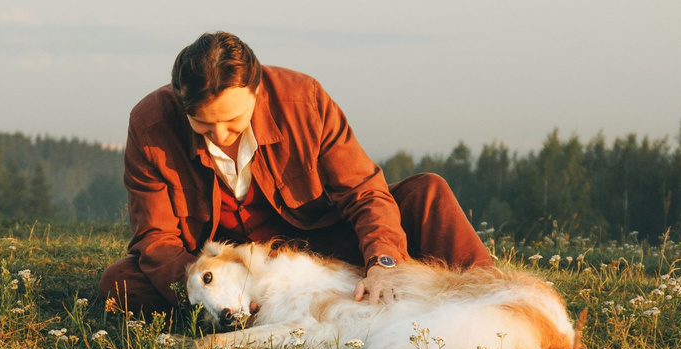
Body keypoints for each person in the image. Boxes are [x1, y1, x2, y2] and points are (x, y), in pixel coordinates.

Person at [98, 31, 492, 318]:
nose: (219, 135)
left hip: (322, 247)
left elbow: (363, 192)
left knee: (427, 193)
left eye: (233, 121)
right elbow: (156, 239)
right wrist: (206, 291)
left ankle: (495, 299)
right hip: (225, 267)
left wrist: (384, 263)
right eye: (203, 125)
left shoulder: (304, 100)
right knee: (120, 282)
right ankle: (234, 315)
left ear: (256, 90)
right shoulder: (150, 124)